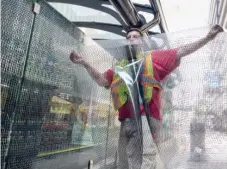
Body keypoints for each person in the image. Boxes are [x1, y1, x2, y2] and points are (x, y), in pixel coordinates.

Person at [69, 25, 223, 169]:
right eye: (128, 37)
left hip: (146, 119)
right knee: (123, 162)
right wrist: (85, 63)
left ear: (142, 42)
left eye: (135, 37)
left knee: (143, 161)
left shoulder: (153, 58)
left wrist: (207, 38)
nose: (130, 39)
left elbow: (181, 51)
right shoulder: (120, 66)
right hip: (126, 121)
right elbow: (102, 80)